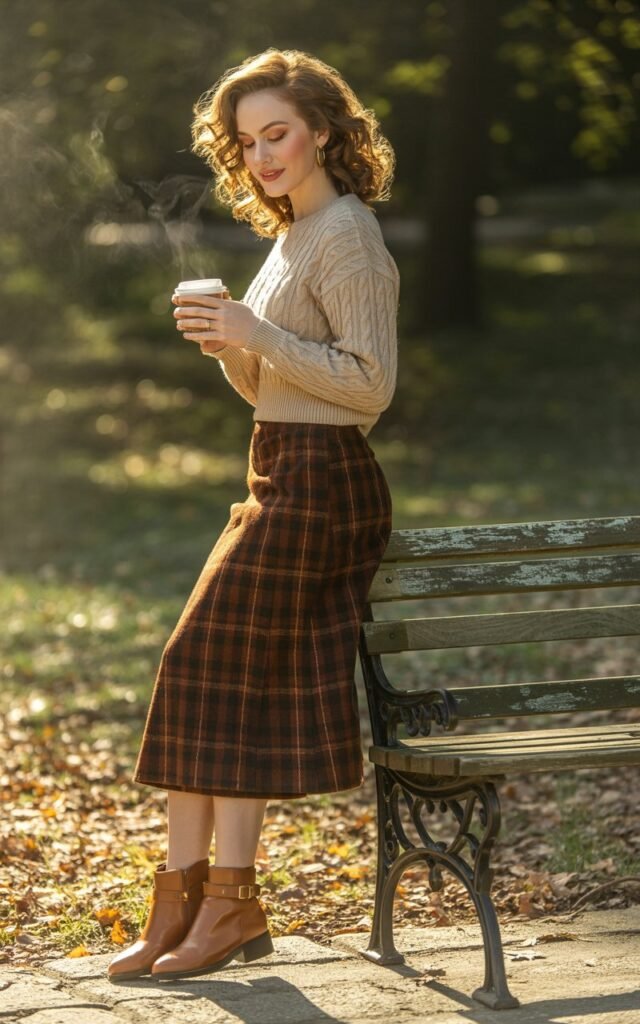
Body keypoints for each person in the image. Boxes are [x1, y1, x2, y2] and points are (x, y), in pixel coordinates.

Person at [108, 45, 399, 983]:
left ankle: (228, 903)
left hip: (324, 482)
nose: (263, 155)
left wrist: (257, 331)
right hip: (281, 466)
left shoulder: (347, 234)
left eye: (279, 134)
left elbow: (370, 387)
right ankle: (186, 903)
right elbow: (279, 387)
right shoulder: (295, 234)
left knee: (207, 666)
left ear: (323, 132)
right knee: (206, 676)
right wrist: (231, 347)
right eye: (247, 142)